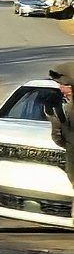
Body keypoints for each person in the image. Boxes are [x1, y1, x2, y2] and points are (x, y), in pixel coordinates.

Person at [48, 62, 74, 214]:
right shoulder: (65, 106)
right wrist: (55, 121)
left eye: (62, 84)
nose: (60, 88)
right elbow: (63, 140)